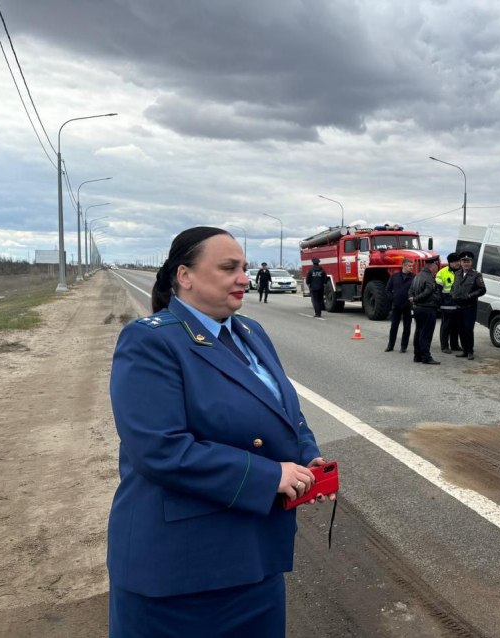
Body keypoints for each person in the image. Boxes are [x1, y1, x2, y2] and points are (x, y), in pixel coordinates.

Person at [108, 227, 335, 638]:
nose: (244, 278)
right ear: (185, 276)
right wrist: (271, 476)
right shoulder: (149, 341)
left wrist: (307, 458)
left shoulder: (250, 331)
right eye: (229, 268)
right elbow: (160, 449)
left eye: (245, 268)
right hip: (182, 570)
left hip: (256, 559)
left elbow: (287, 412)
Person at [451, 251, 486, 360]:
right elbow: (454, 286)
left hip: (469, 307)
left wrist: (470, 295)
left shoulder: (476, 275)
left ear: (471, 263)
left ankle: (470, 351)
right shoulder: (457, 274)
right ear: (460, 262)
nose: (466, 264)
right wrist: (453, 294)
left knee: (468, 330)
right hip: (459, 306)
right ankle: (465, 350)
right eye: (464, 262)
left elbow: (482, 290)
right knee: (461, 329)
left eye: (468, 262)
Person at [409, 255, 442, 365]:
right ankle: (426, 357)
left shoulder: (417, 276)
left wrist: (413, 299)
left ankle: (417, 355)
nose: (437, 268)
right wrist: (416, 299)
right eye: (436, 266)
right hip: (427, 308)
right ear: (432, 266)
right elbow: (428, 292)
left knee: (418, 331)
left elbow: (411, 290)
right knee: (426, 333)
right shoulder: (429, 277)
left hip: (418, 308)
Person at [385, 258, 414, 353]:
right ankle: (390, 345)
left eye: (411, 266)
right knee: (394, 326)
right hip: (396, 305)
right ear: (404, 266)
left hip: (407, 306)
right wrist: (392, 298)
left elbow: (416, 290)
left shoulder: (414, 277)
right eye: (409, 266)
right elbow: (388, 289)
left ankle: (403, 346)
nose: (411, 268)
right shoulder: (395, 276)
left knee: (407, 327)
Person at [435, 253, 462, 354]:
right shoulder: (442, 273)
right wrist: (439, 304)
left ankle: (454, 345)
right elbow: (437, 291)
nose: (458, 263)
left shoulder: (461, 272)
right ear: (450, 262)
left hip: (458, 304)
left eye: (459, 261)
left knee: (456, 326)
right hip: (446, 304)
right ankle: (444, 346)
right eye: (455, 262)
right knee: (446, 326)